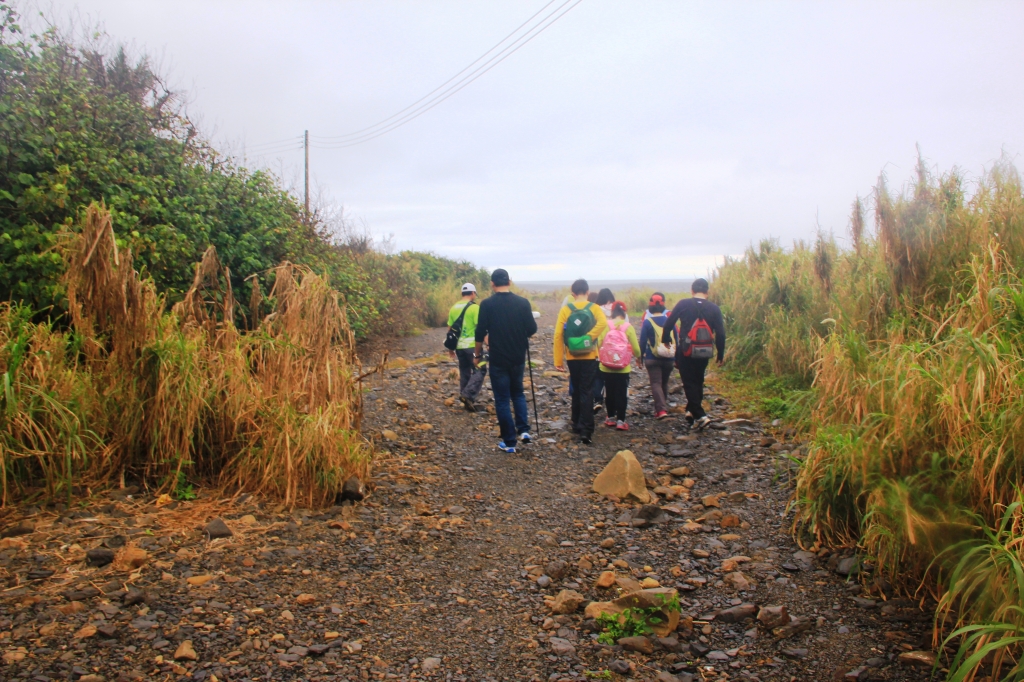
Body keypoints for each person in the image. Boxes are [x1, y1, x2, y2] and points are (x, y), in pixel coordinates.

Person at [474, 268, 538, 454]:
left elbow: (480, 332)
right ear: (509, 282)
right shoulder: (523, 303)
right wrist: (518, 335)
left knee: (502, 399)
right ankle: (524, 431)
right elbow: (532, 328)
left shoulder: (487, 304)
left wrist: (477, 354)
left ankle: (509, 442)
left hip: (498, 358)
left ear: (492, 284)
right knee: (517, 392)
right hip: (518, 356)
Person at [661, 278, 726, 429]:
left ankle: (700, 415)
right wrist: (720, 354)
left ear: (692, 290)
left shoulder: (683, 304)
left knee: (689, 382)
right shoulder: (714, 308)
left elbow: (669, 323)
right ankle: (691, 411)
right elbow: (721, 334)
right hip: (705, 351)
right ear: (707, 292)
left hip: (686, 350)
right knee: (698, 380)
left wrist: (666, 340)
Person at [553, 278, 608, 444]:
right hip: (590, 355)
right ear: (587, 291)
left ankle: (575, 423)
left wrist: (558, 360)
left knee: (576, 388)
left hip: (572, 356)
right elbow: (603, 323)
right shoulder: (595, 307)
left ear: (573, 293)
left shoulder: (566, 309)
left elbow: (558, 335)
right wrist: (589, 338)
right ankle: (587, 429)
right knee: (587, 390)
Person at [597, 301, 641, 430]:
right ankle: (621, 421)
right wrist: (637, 357)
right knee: (622, 393)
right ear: (624, 313)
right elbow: (637, 349)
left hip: (606, 366)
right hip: (623, 368)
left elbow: (599, 344)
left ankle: (610, 418)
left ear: (612, 312)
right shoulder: (628, 327)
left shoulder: (606, 325)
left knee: (609, 391)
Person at [639, 292, 677, 419]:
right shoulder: (670, 321)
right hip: (669, 358)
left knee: (655, 383)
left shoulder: (647, 322)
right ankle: (662, 407)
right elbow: (676, 339)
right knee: (664, 383)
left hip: (652, 358)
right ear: (663, 306)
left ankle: (661, 410)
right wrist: (676, 358)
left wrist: (640, 358)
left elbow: (643, 341)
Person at [446, 283, 482, 411]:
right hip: (472, 346)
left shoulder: (454, 307)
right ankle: (468, 394)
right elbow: (480, 328)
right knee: (480, 370)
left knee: (465, 371)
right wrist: (487, 342)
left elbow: (450, 330)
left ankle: (465, 398)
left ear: (462, 294)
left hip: (459, 347)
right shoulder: (475, 308)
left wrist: (451, 349)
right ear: (473, 293)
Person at [592, 288, 617, 413]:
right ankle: (613, 406)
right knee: (613, 377)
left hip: (600, 349)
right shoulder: (618, 310)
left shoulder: (595, 310)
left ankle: (597, 399)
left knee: (598, 376)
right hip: (617, 350)